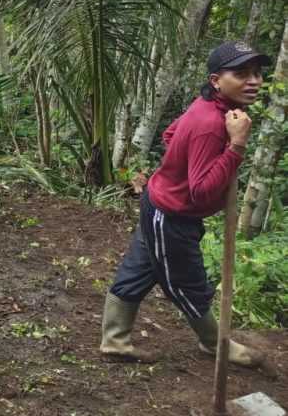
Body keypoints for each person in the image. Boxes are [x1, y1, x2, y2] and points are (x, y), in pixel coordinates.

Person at [99, 40, 271, 367]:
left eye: (257, 73)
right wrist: (235, 147)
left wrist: (184, 160)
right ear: (216, 80)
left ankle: (114, 340)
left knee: (140, 268)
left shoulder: (210, 106)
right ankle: (214, 343)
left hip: (160, 203)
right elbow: (202, 193)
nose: (253, 81)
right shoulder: (211, 122)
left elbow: (170, 134)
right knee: (187, 282)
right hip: (172, 215)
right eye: (240, 73)